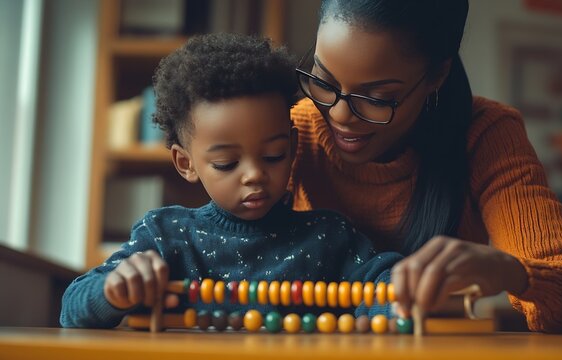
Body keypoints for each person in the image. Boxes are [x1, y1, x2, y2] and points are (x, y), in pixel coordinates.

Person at [289, 0, 562, 333]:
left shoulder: (485, 135)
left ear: (437, 75)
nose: (339, 116)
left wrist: (512, 272)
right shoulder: (290, 135)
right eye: (323, 81)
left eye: (376, 98)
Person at [60, 33, 402, 329]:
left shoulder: (329, 236)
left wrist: (396, 302)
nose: (254, 174)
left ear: (294, 147)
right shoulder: (167, 236)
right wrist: (115, 291)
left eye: (273, 156)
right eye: (226, 163)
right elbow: (72, 309)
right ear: (186, 163)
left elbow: (385, 284)